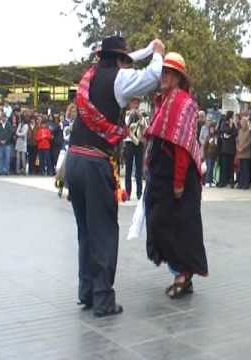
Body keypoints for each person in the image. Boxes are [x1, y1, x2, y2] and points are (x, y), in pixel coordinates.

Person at [66, 35, 164, 317]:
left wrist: (146, 49)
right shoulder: (119, 80)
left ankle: (86, 291)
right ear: (119, 59)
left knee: (85, 230)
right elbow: (152, 75)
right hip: (96, 163)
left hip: (74, 159)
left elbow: (128, 59)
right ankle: (103, 299)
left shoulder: (90, 76)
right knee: (104, 231)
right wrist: (156, 53)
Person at [144, 52, 208, 299]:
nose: (163, 76)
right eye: (163, 72)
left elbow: (182, 145)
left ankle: (183, 275)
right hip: (161, 174)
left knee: (180, 227)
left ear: (179, 77)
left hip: (177, 176)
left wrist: (179, 182)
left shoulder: (184, 103)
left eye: (168, 73)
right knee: (159, 222)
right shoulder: (163, 100)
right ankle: (180, 272)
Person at [123, 97, 146, 200]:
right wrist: (130, 115)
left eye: (137, 103)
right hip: (129, 142)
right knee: (128, 168)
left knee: (139, 169)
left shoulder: (142, 115)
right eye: (134, 103)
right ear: (130, 104)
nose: (135, 105)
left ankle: (139, 193)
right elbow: (125, 127)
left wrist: (141, 117)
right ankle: (128, 192)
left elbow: (145, 127)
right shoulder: (127, 115)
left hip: (139, 143)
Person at [219, 111, 237, 188]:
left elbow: (235, 133)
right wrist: (229, 127)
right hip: (225, 148)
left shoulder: (233, 124)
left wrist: (229, 135)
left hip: (231, 148)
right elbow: (224, 131)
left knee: (231, 167)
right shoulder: (224, 123)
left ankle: (231, 182)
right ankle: (223, 181)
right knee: (224, 166)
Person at [236, 115, 251, 190]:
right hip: (239, 153)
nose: (242, 124)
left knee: (245, 169)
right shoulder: (239, 131)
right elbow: (237, 141)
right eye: (241, 123)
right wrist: (238, 147)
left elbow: (249, 142)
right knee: (240, 169)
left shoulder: (249, 132)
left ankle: (245, 184)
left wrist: (243, 148)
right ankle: (240, 183)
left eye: (244, 123)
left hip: (246, 153)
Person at [203, 123, 217, 187]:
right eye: (211, 129)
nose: (212, 130)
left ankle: (211, 181)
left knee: (212, 169)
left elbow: (217, 146)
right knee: (208, 169)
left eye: (213, 129)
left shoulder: (215, 136)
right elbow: (204, 146)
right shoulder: (208, 137)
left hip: (214, 155)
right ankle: (207, 181)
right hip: (208, 155)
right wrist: (205, 155)